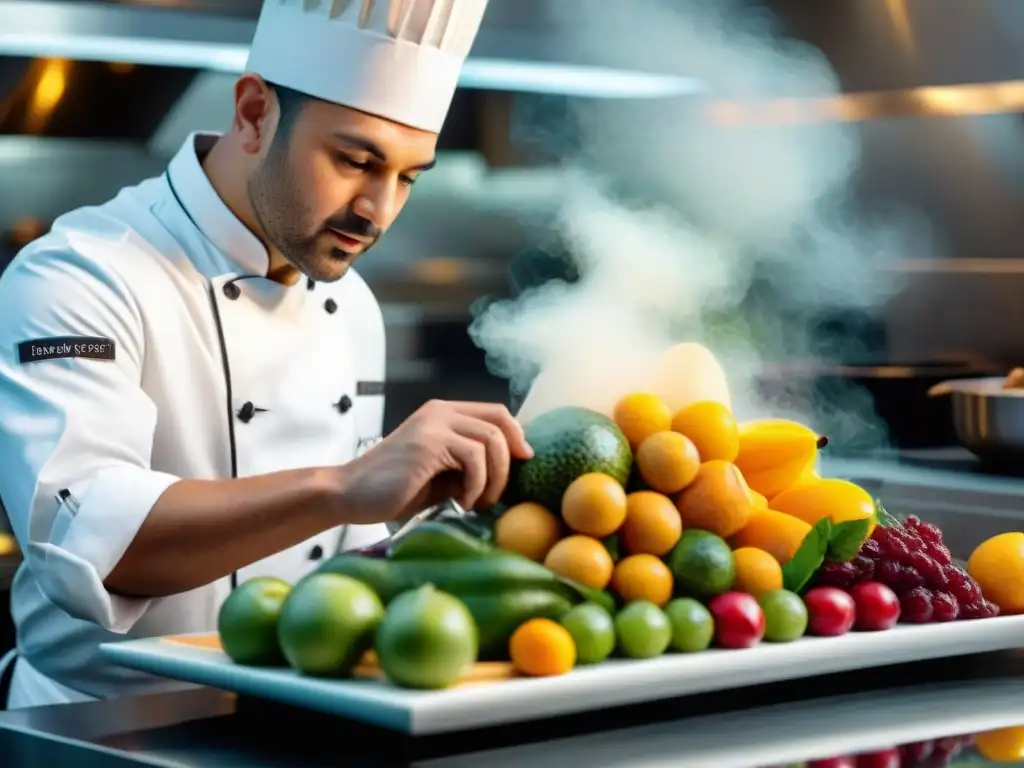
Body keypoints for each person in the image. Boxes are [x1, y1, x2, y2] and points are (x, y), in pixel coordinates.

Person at [0, 0, 532, 709]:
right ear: (253, 112)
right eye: (355, 160)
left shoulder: (354, 308)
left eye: (408, 177)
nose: (378, 210)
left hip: (305, 717)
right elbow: (99, 545)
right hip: (95, 729)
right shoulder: (79, 277)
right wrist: (346, 485)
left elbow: (348, 550)